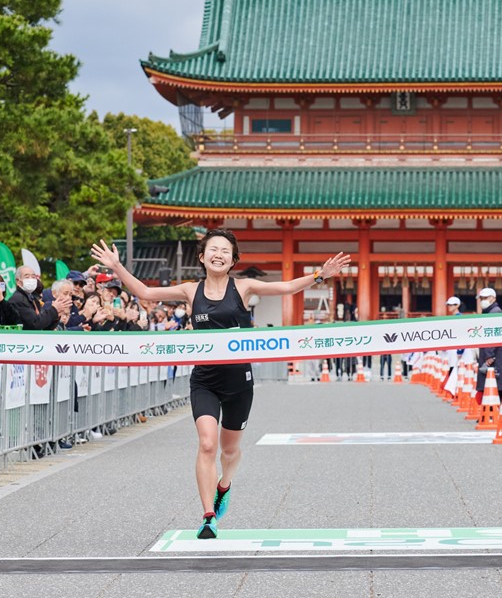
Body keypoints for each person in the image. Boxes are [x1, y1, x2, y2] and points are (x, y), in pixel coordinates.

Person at [92, 229, 350, 539]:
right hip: (205, 379)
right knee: (207, 444)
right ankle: (208, 516)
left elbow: (287, 287)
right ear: (201, 257)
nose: (219, 254)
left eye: (225, 250)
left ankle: (224, 485)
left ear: (232, 259)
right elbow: (146, 293)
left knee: (229, 451)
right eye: (213, 249)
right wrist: (117, 267)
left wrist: (322, 275)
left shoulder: (243, 287)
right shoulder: (190, 290)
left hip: (239, 380)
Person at [475, 287, 502, 399]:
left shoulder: (494, 312)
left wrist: (489, 355)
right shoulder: (491, 311)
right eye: (481, 298)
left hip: (495, 356)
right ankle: (493, 414)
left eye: (485, 298)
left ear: (493, 298)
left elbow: (492, 335)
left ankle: (492, 414)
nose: (483, 300)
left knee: (494, 386)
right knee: (497, 387)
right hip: (498, 354)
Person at [7, 265, 60, 330]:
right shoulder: (18, 299)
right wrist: (53, 310)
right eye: (27, 277)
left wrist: (56, 315)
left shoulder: (32, 299)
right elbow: (35, 323)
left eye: (33, 277)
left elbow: (43, 326)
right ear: (18, 281)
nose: (31, 279)